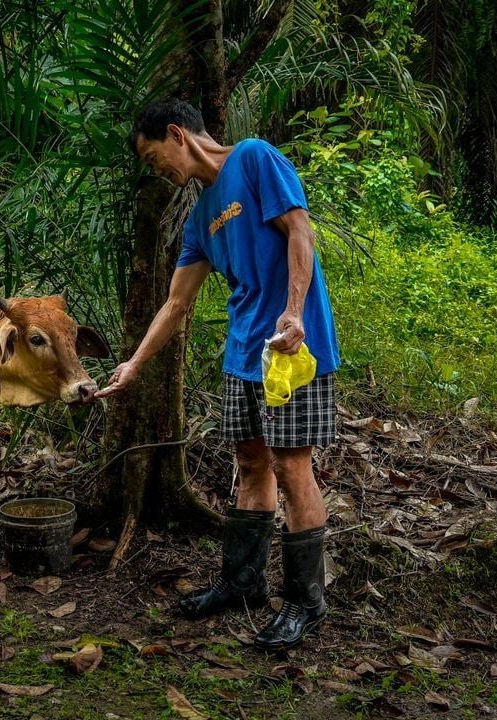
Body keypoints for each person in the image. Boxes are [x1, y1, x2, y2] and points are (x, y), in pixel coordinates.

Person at [95, 98, 340, 650]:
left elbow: (300, 230)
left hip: (291, 346)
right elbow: (175, 304)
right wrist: (134, 364)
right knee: (252, 464)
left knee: (291, 466)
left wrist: (295, 310)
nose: (158, 170)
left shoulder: (253, 159)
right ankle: (242, 583)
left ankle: (306, 602)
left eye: (154, 157)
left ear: (178, 134)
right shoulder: (198, 218)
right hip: (243, 354)